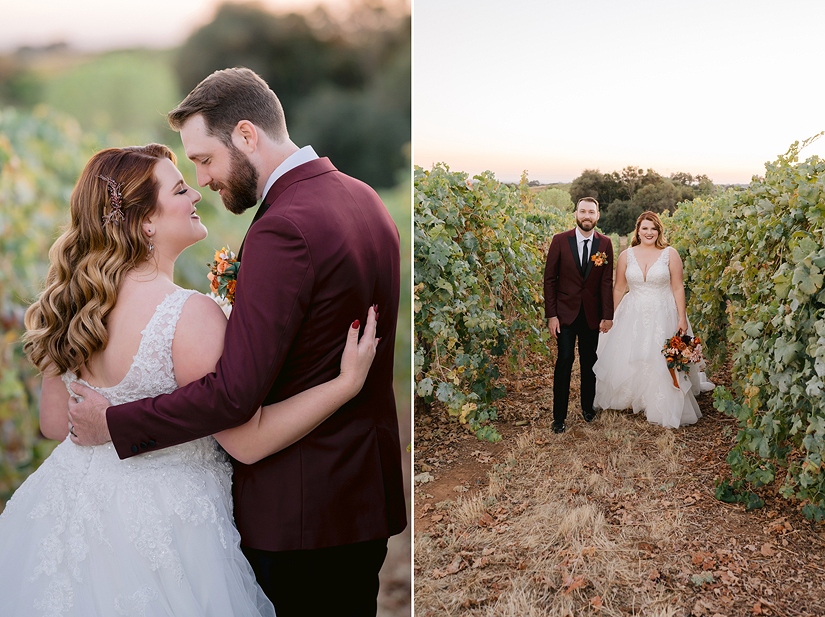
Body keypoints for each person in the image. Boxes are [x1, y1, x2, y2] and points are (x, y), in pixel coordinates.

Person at [66, 68, 407, 617]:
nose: (201, 179)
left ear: (247, 136)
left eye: (203, 159)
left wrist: (116, 423)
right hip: (360, 497)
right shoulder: (363, 198)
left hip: (297, 515)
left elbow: (233, 395)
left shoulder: (284, 226)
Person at [0, 144, 379, 616]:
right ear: (146, 223)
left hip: (68, 516)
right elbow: (248, 442)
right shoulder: (188, 315)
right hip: (170, 530)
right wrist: (343, 385)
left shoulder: (71, 309)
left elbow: (57, 424)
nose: (197, 194)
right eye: (180, 189)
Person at [593, 211, 714, 428]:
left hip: (663, 310)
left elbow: (677, 287)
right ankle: (631, 398)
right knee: (631, 354)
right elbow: (619, 288)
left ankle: (660, 401)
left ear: (659, 231)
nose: (649, 232)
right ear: (637, 231)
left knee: (660, 358)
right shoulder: (626, 256)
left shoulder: (670, 253)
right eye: (645, 228)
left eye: (653, 228)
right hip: (633, 311)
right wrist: (608, 316)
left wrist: (681, 318)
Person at [543, 196, 615, 434]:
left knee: (589, 361)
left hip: (591, 315)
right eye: (582, 211)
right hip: (564, 315)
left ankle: (587, 407)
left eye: (591, 212)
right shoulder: (560, 240)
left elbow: (606, 282)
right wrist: (551, 315)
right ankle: (559, 417)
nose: (587, 216)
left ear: (597, 216)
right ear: (576, 213)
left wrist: (608, 315)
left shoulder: (605, 244)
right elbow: (549, 280)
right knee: (564, 361)